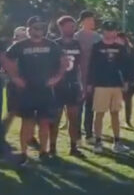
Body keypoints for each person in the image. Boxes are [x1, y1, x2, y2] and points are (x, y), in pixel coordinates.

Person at [3, 16, 66, 165]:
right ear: (29, 29)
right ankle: (24, 153)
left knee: (44, 123)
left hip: (45, 89)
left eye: (41, 27)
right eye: (36, 27)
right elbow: (6, 59)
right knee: (27, 122)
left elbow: (64, 61)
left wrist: (57, 77)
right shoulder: (20, 45)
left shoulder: (52, 45)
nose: (39, 30)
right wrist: (14, 77)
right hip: (27, 90)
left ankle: (43, 152)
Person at [88, 21, 133, 154]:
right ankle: (98, 142)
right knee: (99, 114)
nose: (110, 33)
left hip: (116, 85)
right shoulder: (96, 47)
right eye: (108, 30)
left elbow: (126, 66)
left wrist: (126, 82)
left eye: (113, 30)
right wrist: (90, 83)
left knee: (115, 113)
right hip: (100, 85)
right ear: (103, 32)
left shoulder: (120, 48)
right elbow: (92, 66)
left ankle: (117, 142)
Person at [49, 16, 85, 158]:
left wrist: (82, 83)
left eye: (73, 26)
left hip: (73, 84)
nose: (72, 28)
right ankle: (52, 147)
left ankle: (73, 146)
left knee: (74, 118)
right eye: (69, 26)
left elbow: (81, 65)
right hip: (58, 85)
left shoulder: (77, 44)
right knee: (55, 118)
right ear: (61, 27)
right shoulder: (54, 44)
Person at [74, 10, 102, 144]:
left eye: (93, 20)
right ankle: (77, 134)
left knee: (90, 106)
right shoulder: (76, 37)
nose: (92, 22)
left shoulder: (98, 37)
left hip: (93, 75)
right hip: (79, 75)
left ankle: (89, 133)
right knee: (78, 106)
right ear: (83, 21)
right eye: (90, 20)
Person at [115, 32, 134, 128]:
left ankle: (127, 120)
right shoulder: (117, 49)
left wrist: (127, 81)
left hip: (126, 79)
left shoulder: (129, 50)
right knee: (117, 101)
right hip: (117, 79)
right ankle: (117, 120)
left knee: (127, 100)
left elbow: (131, 66)